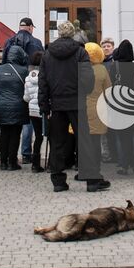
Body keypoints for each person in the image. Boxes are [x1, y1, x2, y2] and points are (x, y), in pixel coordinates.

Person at [39, 20, 108, 192]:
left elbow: (43, 82)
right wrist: (84, 92)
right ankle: (92, 180)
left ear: (59, 34)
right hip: (77, 102)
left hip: (57, 103)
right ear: (72, 34)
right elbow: (87, 79)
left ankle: (58, 181)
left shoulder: (47, 55)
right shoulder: (80, 52)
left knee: (57, 142)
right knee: (85, 142)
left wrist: (44, 105)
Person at [4, 17, 45, 165]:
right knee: (31, 118)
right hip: (33, 81)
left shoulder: (9, 41)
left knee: (18, 120)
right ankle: (27, 153)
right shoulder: (36, 42)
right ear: (29, 27)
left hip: (14, 81)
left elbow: (4, 62)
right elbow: (42, 62)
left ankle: (21, 153)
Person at [0, 43, 29, 170]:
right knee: (15, 134)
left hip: (1, 106)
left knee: (4, 134)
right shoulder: (24, 71)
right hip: (17, 106)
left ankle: (3, 162)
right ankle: (12, 162)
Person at [109, 40, 134, 175]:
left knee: (120, 137)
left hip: (119, 104)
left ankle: (123, 164)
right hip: (133, 103)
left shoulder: (114, 67)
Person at [81, 41, 112, 183]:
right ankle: (95, 170)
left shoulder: (80, 68)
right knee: (95, 142)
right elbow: (108, 90)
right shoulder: (102, 69)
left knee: (83, 142)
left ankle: (83, 170)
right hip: (99, 109)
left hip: (82, 108)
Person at [23, 51, 46, 172]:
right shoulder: (46, 75)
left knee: (38, 137)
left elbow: (26, 97)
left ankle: (35, 164)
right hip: (45, 109)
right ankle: (52, 163)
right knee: (51, 136)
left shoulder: (28, 78)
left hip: (32, 110)